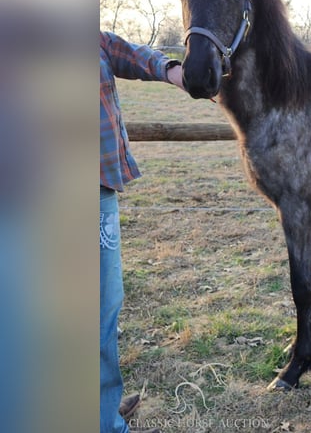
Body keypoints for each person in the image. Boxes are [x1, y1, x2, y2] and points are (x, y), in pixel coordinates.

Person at [100, 31, 185, 433]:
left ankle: (103, 418)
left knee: (102, 310)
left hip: (95, 192)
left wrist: (175, 71)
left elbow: (133, 55)